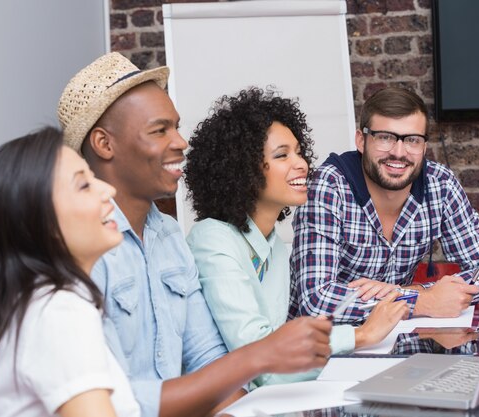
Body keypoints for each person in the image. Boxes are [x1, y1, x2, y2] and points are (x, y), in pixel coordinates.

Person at [57, 52, 332, 417]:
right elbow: (113, 401)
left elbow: (206, 358)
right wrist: (260, 356)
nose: (182, 142)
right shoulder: (80, 251)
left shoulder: (170, 236)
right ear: (105, 144)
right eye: (160, 130)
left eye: (177, 127)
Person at [184, 87, 408, 387]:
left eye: (299, 151)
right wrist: (361, 335)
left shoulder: (275, 246)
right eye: (282, 155)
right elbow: (260, 358)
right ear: (242, 169)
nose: (301, 163)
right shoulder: (211, 240)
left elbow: (277, 356)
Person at [290, 87, 479, 325]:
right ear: (361, 140)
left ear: (424, 147)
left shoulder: (440, 184)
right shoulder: (329, 186)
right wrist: (422, 302)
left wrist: (413, 292)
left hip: (396, 340)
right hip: (322, 346)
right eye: (385, 137)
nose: (398, 153)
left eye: (412, 140)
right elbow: (316, 301)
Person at [0, 127, 140, 417]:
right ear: (40, 221)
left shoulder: (46, 303)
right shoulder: (59, 312)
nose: (108, 191)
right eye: (84, 185)